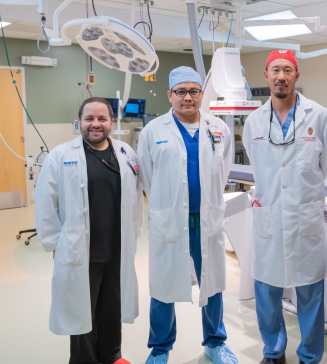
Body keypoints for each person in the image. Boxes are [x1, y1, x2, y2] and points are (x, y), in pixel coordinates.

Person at [137, 66, 236, 364]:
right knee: (164, 285)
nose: (188, 97)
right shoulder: (153, 131)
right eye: (181, 92)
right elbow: (148, 178)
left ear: (201, 94)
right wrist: (168, 207)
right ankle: (160, 349)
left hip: (207, 220)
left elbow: (224, 170)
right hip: (171, 221)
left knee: (213, 282)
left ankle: (215, 342)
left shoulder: (219, 128)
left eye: (194, 91)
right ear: (170, 95)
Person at [242, 50, 327, 364]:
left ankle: (309, 356)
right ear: (266, 75)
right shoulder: (254, 120)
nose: (280, 76)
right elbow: (259, 165)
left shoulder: (319, 115)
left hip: (304, 218)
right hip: (269, 216)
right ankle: (274, 351)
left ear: (296, 76)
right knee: (267, 295)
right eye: (275, 70)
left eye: (287, 70)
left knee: (310, 295)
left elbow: (326, 164)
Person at [35, 97, 143, 364]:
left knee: (111, 309)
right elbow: (46, 203)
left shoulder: (126, 153)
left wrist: (135, 233)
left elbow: (136, 198)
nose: (96, 124)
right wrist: (54, 244)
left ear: (111, 122)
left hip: (117, 249)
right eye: (89, 119)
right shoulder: (61, 156)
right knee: (82, 313)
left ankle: (111, 356)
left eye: (102, 119)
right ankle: (84, 360)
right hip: (80, 251)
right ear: (79, 122)